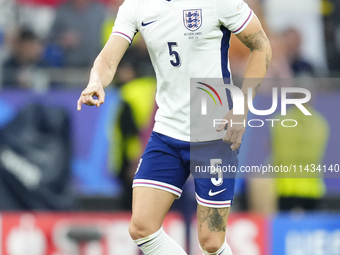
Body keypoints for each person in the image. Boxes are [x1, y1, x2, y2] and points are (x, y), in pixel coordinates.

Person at [77, 0, 272, 254]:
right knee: (141, 228)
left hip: (212, 134)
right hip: (167, 132)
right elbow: (108, 59)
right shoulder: (136, 6)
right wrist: (95, 81)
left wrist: (242, 107)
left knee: (211, 242)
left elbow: (261, 45)